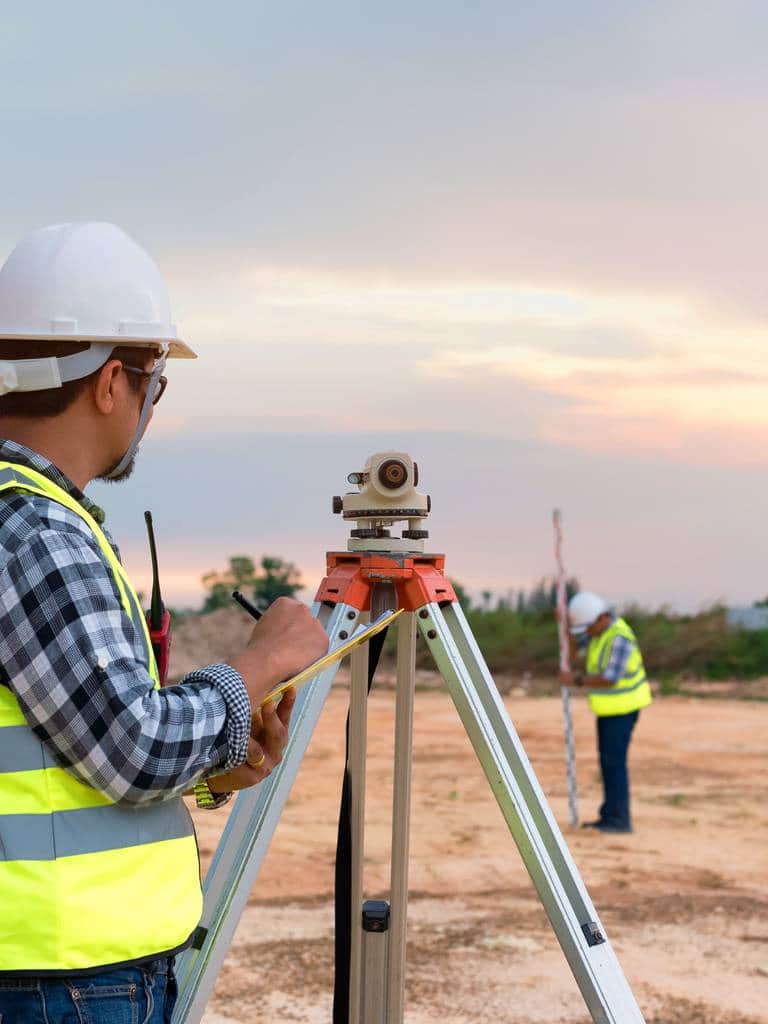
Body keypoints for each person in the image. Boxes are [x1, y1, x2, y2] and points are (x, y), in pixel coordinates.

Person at [0, 222, 329, 1023]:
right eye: (155, 381)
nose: (150, 406)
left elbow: (68, 748)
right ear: (113, 380)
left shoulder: (36, 519)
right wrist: (260, 662)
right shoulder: (33, 528)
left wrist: (213, 766)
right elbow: (134, 747)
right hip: (62, 979)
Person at [558, 591, 652, 834]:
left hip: (624, 709)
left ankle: (619, 820)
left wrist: (575, 680)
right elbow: (574, 653)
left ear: (600, 618)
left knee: (614, 763)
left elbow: (611, 678)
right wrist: (566, 628)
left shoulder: (618, 637)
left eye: (586, 628)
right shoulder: (598, 633)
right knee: (609, 763)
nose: (585, 634)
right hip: (609, 710)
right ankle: (609, 815)